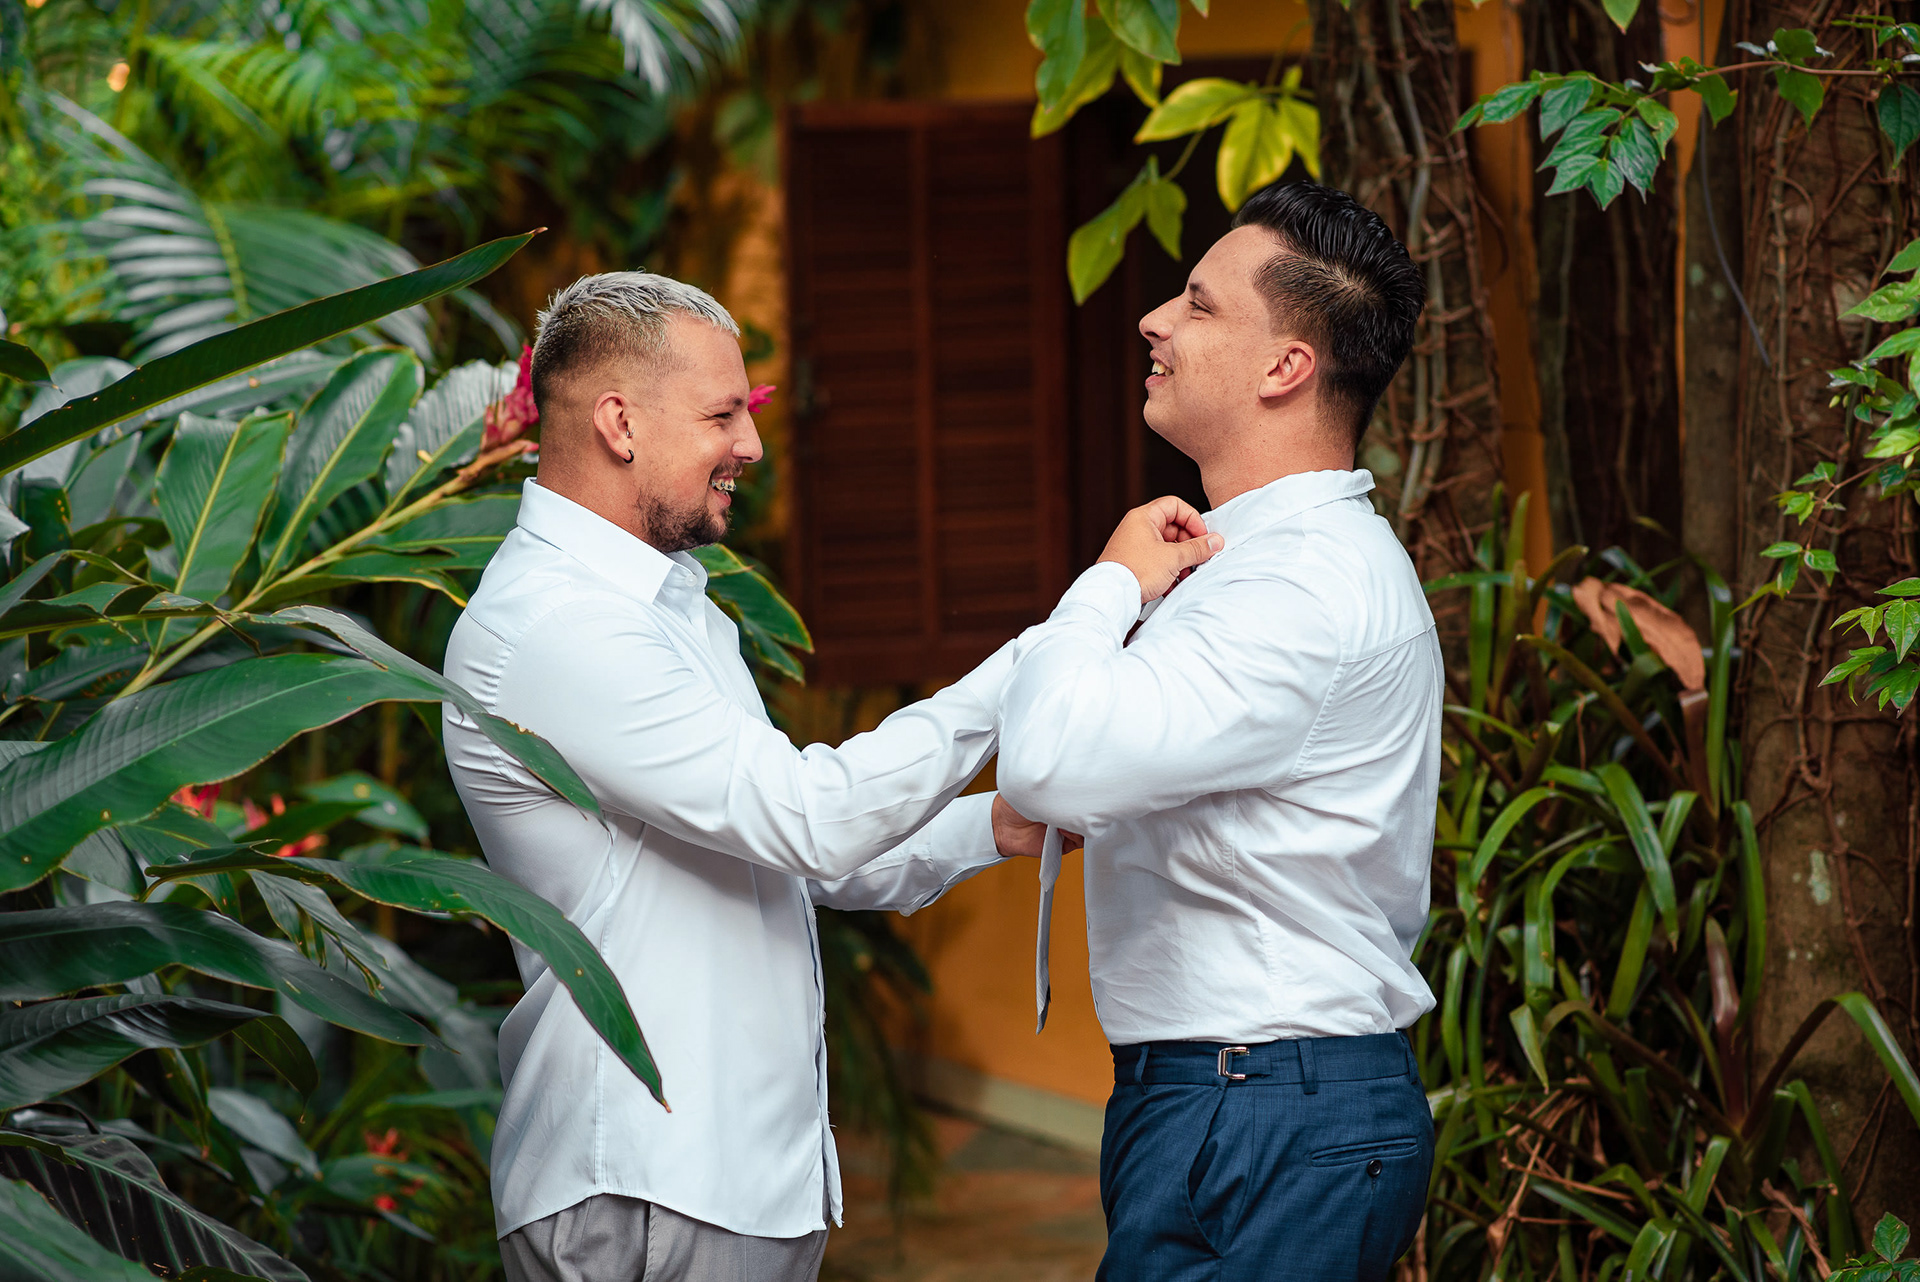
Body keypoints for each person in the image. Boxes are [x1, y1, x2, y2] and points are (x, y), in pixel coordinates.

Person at [439, 272, 1199, 1282]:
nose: (751, 443)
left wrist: (994, 828)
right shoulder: (558, 625)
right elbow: (810, 818)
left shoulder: (667, 604)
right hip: (648, 1181)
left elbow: (786, 857)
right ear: (619, 423)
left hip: (719, 1181)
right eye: (721, 414)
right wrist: (1066, 634)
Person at [993, 180, 1443, 1281]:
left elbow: (1049, 765)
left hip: (1262, 1105)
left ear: (1285, 367)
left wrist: (1108, 581)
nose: (1156, 320)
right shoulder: (1260, 564)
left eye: (1198, 304)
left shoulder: (1298, 586)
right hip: (1244, 1097)